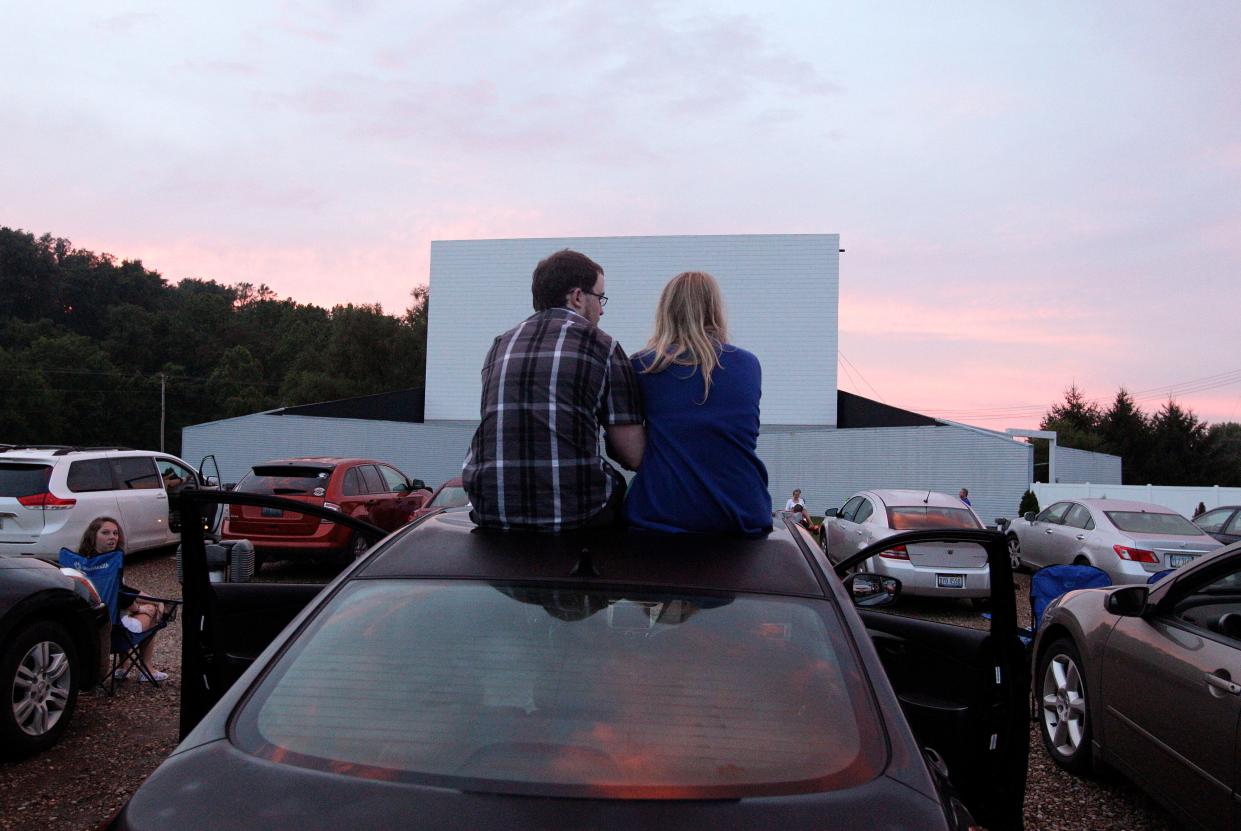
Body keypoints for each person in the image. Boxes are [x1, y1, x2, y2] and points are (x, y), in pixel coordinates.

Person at [463, 249, 645, 532]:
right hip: (575, 514)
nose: (602, 309)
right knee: (624, 489)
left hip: (491, 509)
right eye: (600, 297)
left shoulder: (500, 345)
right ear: (577, 296)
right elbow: (633, 455)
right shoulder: (602, 346)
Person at [624, 271, 772, 536]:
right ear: (714, 310)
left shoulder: (642, 366)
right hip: (741, 512)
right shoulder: (748, 365)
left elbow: (632, 448)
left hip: (662, 513)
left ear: (666, 310)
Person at [77, 517, 169, 682]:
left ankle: (122, 667)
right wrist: (142, 607)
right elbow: (122, 596)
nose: (112, 537)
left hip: (85, 630)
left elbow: (124, 591)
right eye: (105, 533)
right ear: (93, 536)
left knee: (123, 612)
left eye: (115, 533)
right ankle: (147, 669)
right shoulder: (111, 565)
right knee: (150, 611)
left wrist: (153, 599)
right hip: (114, 634)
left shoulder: (80, 563)